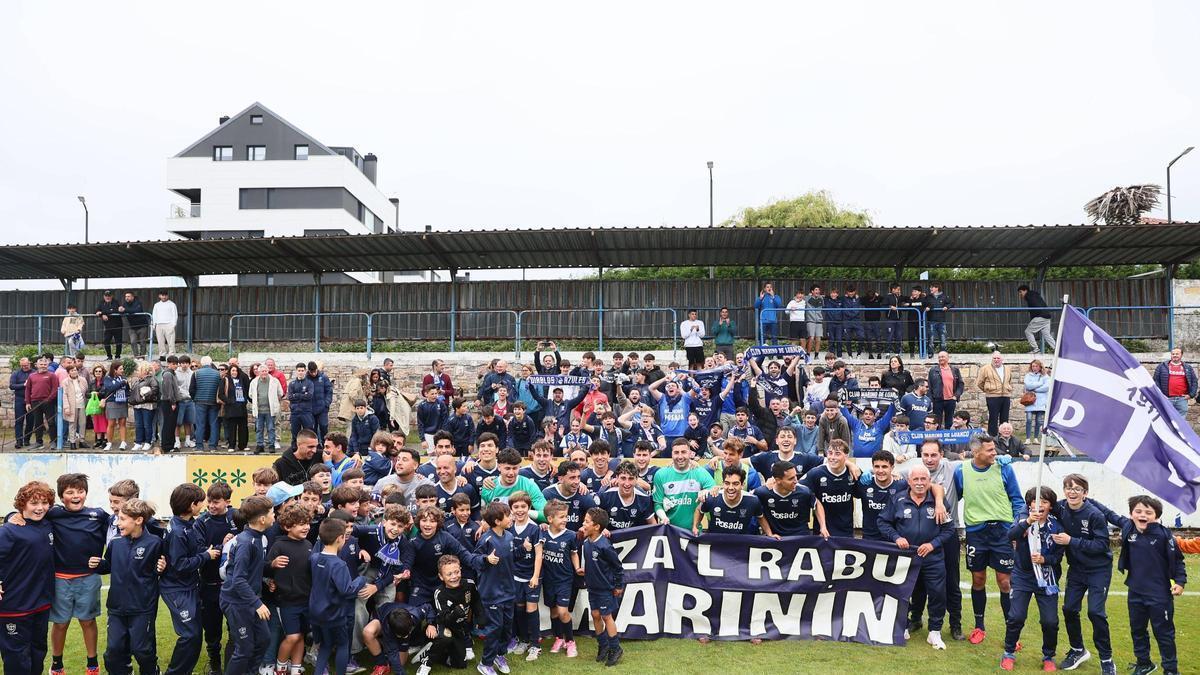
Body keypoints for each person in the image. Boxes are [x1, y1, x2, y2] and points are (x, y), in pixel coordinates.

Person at [1093, 495, 1187, 675]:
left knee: (1164, 634)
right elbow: (1109, 514)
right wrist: (1087, 499)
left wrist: (1180, 582)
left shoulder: (1164, 536)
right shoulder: (1129, 527)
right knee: (1137, 630)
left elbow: (1178, 561)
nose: (1142, 515)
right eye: (1138, 511)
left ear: (1156, 516)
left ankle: (1171, 670)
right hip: (1135, 591)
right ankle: (1144, 663)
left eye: (1148, 512)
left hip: (1159, 595)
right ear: (1131, 514)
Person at [954, 434, 1024, 645]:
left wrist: (1018, 528)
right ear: (976, 452)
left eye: (995, 449)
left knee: (1005, 581)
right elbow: (955, 495)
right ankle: (979, 627)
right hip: (976, 533)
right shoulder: (961, 471)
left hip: (1002, 532)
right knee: (978, 579)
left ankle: (1011, 632)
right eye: (990, 450)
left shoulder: (1004, 468)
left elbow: (1017, 500)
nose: (995, 453)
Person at [877, 465, 954, 651]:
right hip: (906, 557)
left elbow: (949, 529)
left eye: (923, 479)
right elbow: (882, 521)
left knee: (937, 593)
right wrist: (896, 537)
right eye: (916, 479)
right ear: (909, 482)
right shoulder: (898, 499)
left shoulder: (939, 502)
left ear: (929, 481)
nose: (919, 483)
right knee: (902, 592)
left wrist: (933, 544)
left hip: (932, 557)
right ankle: (902, 625)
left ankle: (934, 631)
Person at [89, 498, 163, 675]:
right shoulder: (115, 542)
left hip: (142, 608)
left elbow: (160, 569)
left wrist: (161, 568)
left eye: (122, 519)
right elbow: (109, 565)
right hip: (116, 608)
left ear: (138, 520)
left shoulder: (155, 543)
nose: (117, 523)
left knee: (142, 651)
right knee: (113, 652)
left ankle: (152, 671)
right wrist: (98, 564)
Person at [1051, 474, 1116, 674]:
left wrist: (1071, 541)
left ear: (1085, 493)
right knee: (1069, 609)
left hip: (1099, 570)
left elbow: (1102, 544)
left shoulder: (1095, 514)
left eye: (1077, 489)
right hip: (1076, 569)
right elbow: (1040, 505)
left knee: (1095, 612)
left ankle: (1107, 659)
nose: (1072, 492)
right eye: (1068, 488)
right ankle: (1077, 650)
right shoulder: (1060, 507)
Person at [1000, 487, 1063, 672]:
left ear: (1050, 506)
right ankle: (1009, 652)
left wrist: (1045, 559)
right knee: (1016, 617)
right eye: (1036, 501)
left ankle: (1048, 656)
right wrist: (1028, 522)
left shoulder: (1056, 526)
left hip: (1046, 578)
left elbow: (1059, 556)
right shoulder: (1023, 520)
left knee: (1050, 621)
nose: (1039, 505)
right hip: (1023, 576)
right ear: (1029, 504)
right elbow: (1010, 535)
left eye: (1044, 501)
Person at [162, 483, 219, 675]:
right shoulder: (178, 532)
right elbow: (180, 565)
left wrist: (212, 549)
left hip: (188, 586)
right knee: (190, 635)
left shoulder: (187, 524)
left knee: (194, 636)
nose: (204, 505)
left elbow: (192, 550)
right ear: (191, 505)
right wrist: (206, 556)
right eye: (201, 502)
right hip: (177, 589)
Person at [0, 481, 56, 675]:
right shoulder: (9, 530)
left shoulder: (48, 524)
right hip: (14, 606)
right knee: (17, 656)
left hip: (41, 604)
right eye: (34, 503)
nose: (40, 508)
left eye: (44, 503)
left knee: (38, 652)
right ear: (22, 504)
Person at [221, 495, 275, 675]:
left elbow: (254, 567)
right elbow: (238, 580)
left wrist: (271, 566)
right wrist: (257, 603)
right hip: (237, 602)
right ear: (262, 519)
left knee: (264, 640)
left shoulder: (259, 537)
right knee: (244, 649)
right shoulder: (246, 542)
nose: (274, 516)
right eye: (272, 513)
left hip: (250, 599)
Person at [309, 518, 368, 675]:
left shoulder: (314, 558)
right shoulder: (338, 564)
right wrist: (361, 580)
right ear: (339, 538)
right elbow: (347, 590)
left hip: (316, 613)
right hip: (334, 614)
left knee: (325, 645)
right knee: (343, 645)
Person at [580, 507, 625, 666]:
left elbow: (618, 567)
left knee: (606, 616)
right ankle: (603, 646)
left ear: (597, 526)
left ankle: (615, 648)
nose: (583, 524)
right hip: (592, 588)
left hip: (605, 589)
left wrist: (618, 585)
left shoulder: (605, 546)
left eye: (586, 521)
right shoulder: (586, 543)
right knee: (595, 615)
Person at [476, 502, 516, 675]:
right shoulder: (486, 539)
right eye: (508, 515)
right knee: (495, 628)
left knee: (507, 627)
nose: (511, 517)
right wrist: (486, 559)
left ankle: (500, 655)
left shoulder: (510, 536)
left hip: (508, 592)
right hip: (492, 593)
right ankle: (485, 663)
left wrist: (523, 550)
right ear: (498, 521)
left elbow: (512, 558)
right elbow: (475, 559)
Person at [652, 437, 716, 529]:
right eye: (676, 452)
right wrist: (663, 517)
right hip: (669, 531)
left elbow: (714, 491)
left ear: (690, 453)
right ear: (671, 454)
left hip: (693, 532)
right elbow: (657, 504)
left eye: (683, 452)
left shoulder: (700, 472)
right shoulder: (661, 474)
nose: (680, 456)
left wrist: (706, 492)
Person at [802, 439, 859, 537]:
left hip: (846, 532)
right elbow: (796, 488)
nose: (832, 457)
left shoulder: (853, 473)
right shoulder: (816, 473)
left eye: (837, 454)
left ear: (846, 456)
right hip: (822, 532)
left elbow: (867, 490)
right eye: (830, 453)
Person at [694, 465, 770, 537]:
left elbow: (760, 517)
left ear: (742, 485)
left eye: (735, 484)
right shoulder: (712, 498)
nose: (730, 488)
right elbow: (699, 510)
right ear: (723, 484)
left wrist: (770, 534)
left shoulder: (753, 501)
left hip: (741, 543)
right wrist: (695, 526)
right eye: (727, 483)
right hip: (717, 543)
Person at [976, 351, 1012, 437]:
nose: (996, 360)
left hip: (1005, 396)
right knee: (993, 418)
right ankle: (992, 437)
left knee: (1005, 418)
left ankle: (1003, 436)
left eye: (998, 358)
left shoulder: (1007, 368)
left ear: (1002, 359)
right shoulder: (985, 368)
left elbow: (1009, 380)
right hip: (992, 397)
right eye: (994, 358)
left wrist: (1008, 388)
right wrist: (988, 390)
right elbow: (979, 383)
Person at [249, 363, 283, 454]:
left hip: (270, 410)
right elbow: (250, 394)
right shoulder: (254, 382)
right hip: (259, 410)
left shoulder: (274, 381)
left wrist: (274, 401)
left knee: (271, 428)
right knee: (259, 428)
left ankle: (271, 445)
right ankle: (260, 445)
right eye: (262, 371)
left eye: (265, 371)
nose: (264, 373)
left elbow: (280, 393)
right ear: (259, 372)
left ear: (268, 371)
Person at [1154, 347, 1196, 418]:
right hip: (1167, 399)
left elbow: (1194, 381)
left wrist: (1191, 395)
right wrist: (1161, 395)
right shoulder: (1162, 367)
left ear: (1181, 355)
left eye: (1177, 354)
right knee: (1166, 419)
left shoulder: (1188, 367)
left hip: (1182, 399)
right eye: (1173, 354)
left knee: (1181, 420)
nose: (1175, 355)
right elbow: (1156, 381)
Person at [927, 351, 963, 429]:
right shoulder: (933, 370)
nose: (941, 358)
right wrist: (930, 399)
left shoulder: (955, 370)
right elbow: (929, 385)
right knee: (937, 421)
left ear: (948, 358)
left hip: (951, 400)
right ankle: (937, 436)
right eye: (939, 357)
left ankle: (948, 436)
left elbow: (960, 384)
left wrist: (956, 396)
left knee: (949, 421)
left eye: (943, 357)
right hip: (937, 400)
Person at [219, 363, 251, 452]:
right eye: (233, 370)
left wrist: (245, 400)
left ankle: (243, 445)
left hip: (241, 407)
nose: (234, 372)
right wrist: (229, 401)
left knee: (243, 427)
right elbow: (221, 394)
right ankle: (231, 445)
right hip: (231, 408)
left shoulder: (242, 380)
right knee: (231, 427)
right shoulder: (225, 380)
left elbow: (247, 390)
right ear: (229, 371)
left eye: (236, 371)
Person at [1018, 285, 1057, 354]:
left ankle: (1035, 349)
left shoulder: (1028, 295)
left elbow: (1034, 307)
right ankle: (1057, 350)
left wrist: (1033, 318)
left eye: (1021, 292)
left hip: (1040, 316)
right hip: (1047, 316)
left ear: (1025, 290)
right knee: (1047, 335)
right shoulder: (1035, 295)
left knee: (1028, 332)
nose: (1020, 294)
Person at [1023, 359, 1050, 442]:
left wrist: (1034, 389)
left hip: (1041, 401)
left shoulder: (1045, 376)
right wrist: (1040, 384)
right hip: (1030, 401)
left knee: (1039, 421)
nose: (1034, 368)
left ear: (1040, 367)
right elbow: (1027, 386)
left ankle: (1035, 438)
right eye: (1033, 366)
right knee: (1029, 419)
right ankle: (1027, 438)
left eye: (1036, 366)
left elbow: (1046, 387)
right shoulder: (1028, 375)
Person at [923, 282, 952, 354]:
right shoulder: (928, 297)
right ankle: (930, 353)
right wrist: (926, 307)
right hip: (931, 321)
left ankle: (943, 353)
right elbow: (923, 304)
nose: (930, 289)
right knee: (931, 338)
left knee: (943, 339)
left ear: (937, 288)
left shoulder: (944, 296)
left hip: (941, 321)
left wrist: (947, 307)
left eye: (932, 287)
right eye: (930, 287)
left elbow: (951, 303)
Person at [118, 292, 149, 359]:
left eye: (128, 296)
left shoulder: (138, 303)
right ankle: (136, 356)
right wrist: (120, 310)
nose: (127, 298)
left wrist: (125, 310)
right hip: (132, 327)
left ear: (132, 297)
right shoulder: (125, 304)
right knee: (133, 341)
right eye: (126, 296)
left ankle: (142, 357)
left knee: (142, 342)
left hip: (142, 326)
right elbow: (122, 312)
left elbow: (137, 310)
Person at [94, 290, 124, 359]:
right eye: (106, 296)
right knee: (106, 341)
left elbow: (115, 310)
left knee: (118, 342)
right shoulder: (102, 302)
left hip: (117, 326)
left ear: (112, 296)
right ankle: (109, 356)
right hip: (108, 327)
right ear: (104, 296)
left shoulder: (116, 302)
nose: (107, 297)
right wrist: (102, 315)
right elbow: (96, 311)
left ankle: (117, 356)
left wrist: (102, 313)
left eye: (109, 296)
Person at [152, 289, 178, 358]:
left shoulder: (172, 304)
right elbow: (154, 315)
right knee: (160, 341)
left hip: (169, 324)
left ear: (167, 296)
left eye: (165, 295)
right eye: (162, 295)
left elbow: (175, 315)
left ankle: (172, 355)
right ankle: (162, 355)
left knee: (171, 341)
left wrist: (173, 325)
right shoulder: (156, 305)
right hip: (159, 325)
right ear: (159, 296)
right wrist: (154, 325)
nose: (164, 297)